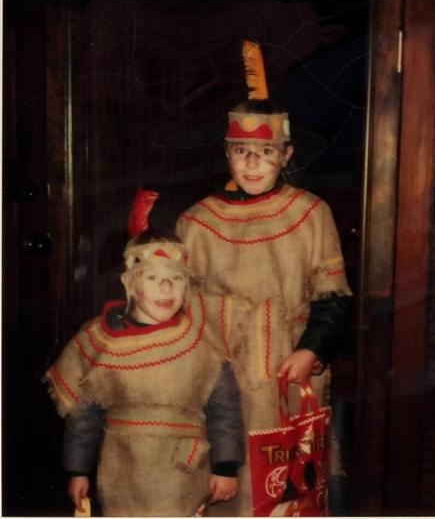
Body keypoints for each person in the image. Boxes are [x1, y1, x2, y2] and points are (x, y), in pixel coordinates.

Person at [175, 41, 353, 515]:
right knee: (221, 487)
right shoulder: (196, 222)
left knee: (285, 493)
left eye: (265, 152)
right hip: (220, 378)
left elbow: (333, 298)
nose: (252, 163)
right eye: (242, 151)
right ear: (227, 153)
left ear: (286, 154)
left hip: (286, 373)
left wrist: (311, 350)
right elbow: (177, 307)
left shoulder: (312, 214)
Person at [44, 227, 245, 516]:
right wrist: (78, 470)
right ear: (131, 284)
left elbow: (225, 410)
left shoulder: (202, 342)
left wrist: (225, 468)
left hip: (183, 470)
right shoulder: (100, 340)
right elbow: (83, 414)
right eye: (152, 278)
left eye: (176, 278)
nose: (166, 289)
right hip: (122, 468)